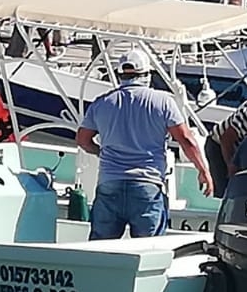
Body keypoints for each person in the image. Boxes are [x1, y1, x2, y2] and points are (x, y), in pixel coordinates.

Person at [75, 49, 214, 239]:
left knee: (100, 249)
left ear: (120, 75)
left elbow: (83, 140)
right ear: (147, 74)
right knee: (149, 252)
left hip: (110, 184)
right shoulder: (163, 102)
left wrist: (101, 152)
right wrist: (203, 170)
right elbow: (186, 140)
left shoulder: (102, 103)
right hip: (147, 186)